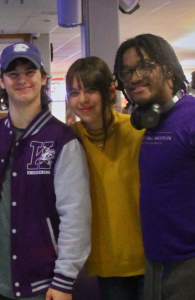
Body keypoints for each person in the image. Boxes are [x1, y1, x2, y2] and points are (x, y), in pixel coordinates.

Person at [114, 34, 195, 300]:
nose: (134, 77)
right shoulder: (150, 123)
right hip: (156, 265)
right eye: (126, 72)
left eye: (144, 66)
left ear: (168, 68)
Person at [0, 42, 91, 300]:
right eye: (13, 74)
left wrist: (64, 281)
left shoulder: (62, 139)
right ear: (2, 81)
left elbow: (75, 215)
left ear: (43, 77)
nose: (21, 79)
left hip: (44, 287)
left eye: (30, 71)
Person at [65, 56, 146, 300]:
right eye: (75, 92)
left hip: (152, 258)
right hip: (108, 263)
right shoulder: (68, 140)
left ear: (109, 91)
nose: (83, 100)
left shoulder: (138, 132)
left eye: (91, 90)